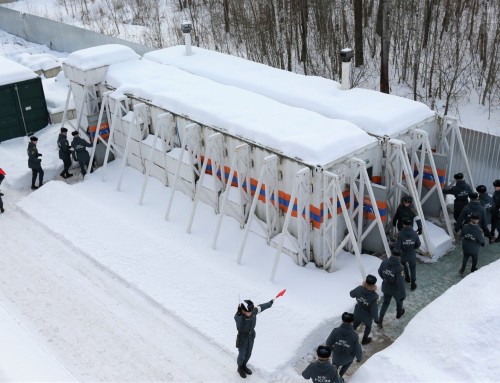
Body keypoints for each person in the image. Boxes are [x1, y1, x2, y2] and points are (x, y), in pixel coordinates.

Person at [234, 298, 274, 379]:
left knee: (248, 353)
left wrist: (269, 303)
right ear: (243, 311)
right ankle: (240, 367)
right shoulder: (240, 317)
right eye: (248, 312)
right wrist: (239, 312)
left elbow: (260, 307)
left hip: (251, 336)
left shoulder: (253, 312)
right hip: (242, 337)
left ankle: (244, 365)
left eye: (251, 311)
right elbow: (237, 318)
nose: (250, 313)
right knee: (242, 355)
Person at [325, 312, 362, 379]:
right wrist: (359, 358)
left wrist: (332, 349)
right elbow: (357, 350)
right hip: (347, 359)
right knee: (348, 363)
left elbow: (328, 342)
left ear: (342, 320)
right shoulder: (354, 336)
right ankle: (340, 376)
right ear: (352, 321)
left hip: (336, 356)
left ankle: (333, 376)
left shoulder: (335, 331)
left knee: (334, 366)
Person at [378, 251, 406, 326]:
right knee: (399, 301)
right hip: (395, 289)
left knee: (385, 303)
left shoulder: (384, 262)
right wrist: (403, 294)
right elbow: (401, 283)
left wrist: (385, 279)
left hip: (386, 286)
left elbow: (380, 271)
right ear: (399, 257)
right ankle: (398, 314)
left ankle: (380, 320)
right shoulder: (400, 268)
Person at [349, 274, 379, 344]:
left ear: (365, 281)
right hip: (367, 316)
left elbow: (351, 294)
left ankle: (349, 337)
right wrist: (376, 320)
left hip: (357, 312)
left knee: (354, 325)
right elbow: (374, 310)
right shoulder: (375, 296)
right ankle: (364, 340)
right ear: (374, 284)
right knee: (368, 327)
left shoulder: (359, 288)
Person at [395, 218, 421, 291]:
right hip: (412, 253)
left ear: (403, 225)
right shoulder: (414, 233)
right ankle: (413, 284)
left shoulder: (400, 234)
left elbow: (397, 247)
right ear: (410, 225)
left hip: (403, 254)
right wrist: (412, 247)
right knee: (413, 269)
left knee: (403, 265)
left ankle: (407, 277)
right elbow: (418, 244)